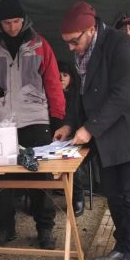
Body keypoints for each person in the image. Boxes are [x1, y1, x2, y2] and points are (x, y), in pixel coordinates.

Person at [55, 1, 130, 260]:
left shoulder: (121, 45)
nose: (71, 48)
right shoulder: (85, 51)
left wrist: (89, 128)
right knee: (114, 196)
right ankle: (122, 247)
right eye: (68, 44)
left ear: (90, 29)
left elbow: (123, 94)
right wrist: (71, 124)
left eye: (74, 42)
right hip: (105, 138)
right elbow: (81, 94)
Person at [0, 0, 65, 249]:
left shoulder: (40, 45)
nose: (12, 27)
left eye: (16, 21)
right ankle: (4, 228)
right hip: (1, 120)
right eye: (7, 22)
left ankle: (45, 229)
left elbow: (53, 82)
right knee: (1, 178)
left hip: (36, 119)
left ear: (24, 20)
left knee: (41, 178)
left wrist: (57, 119)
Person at [57, 60, 86, 217]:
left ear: (72, 77)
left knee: (73, 161)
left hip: (77, 138)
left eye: (65, 75)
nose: (61, 78)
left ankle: (78, 196)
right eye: (58, 75)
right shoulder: (50, 93)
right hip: (56, 138)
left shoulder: (77, 95)